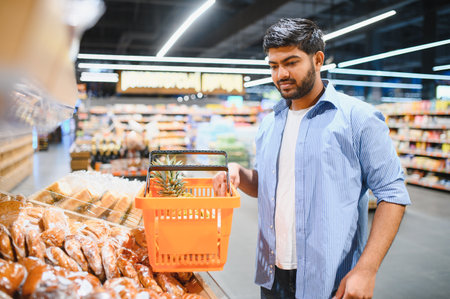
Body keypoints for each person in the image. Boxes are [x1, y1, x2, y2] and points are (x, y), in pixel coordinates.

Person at [213, 18, 410, 299]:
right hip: (272, 276)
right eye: (273, 65)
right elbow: (270, 186)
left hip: (332, 281)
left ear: (317, 60)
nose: (281, 73)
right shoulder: (270, 123)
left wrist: (366, 270)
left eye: (291, 62)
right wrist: (238, 173)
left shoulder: (359, 118)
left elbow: (392, 194)